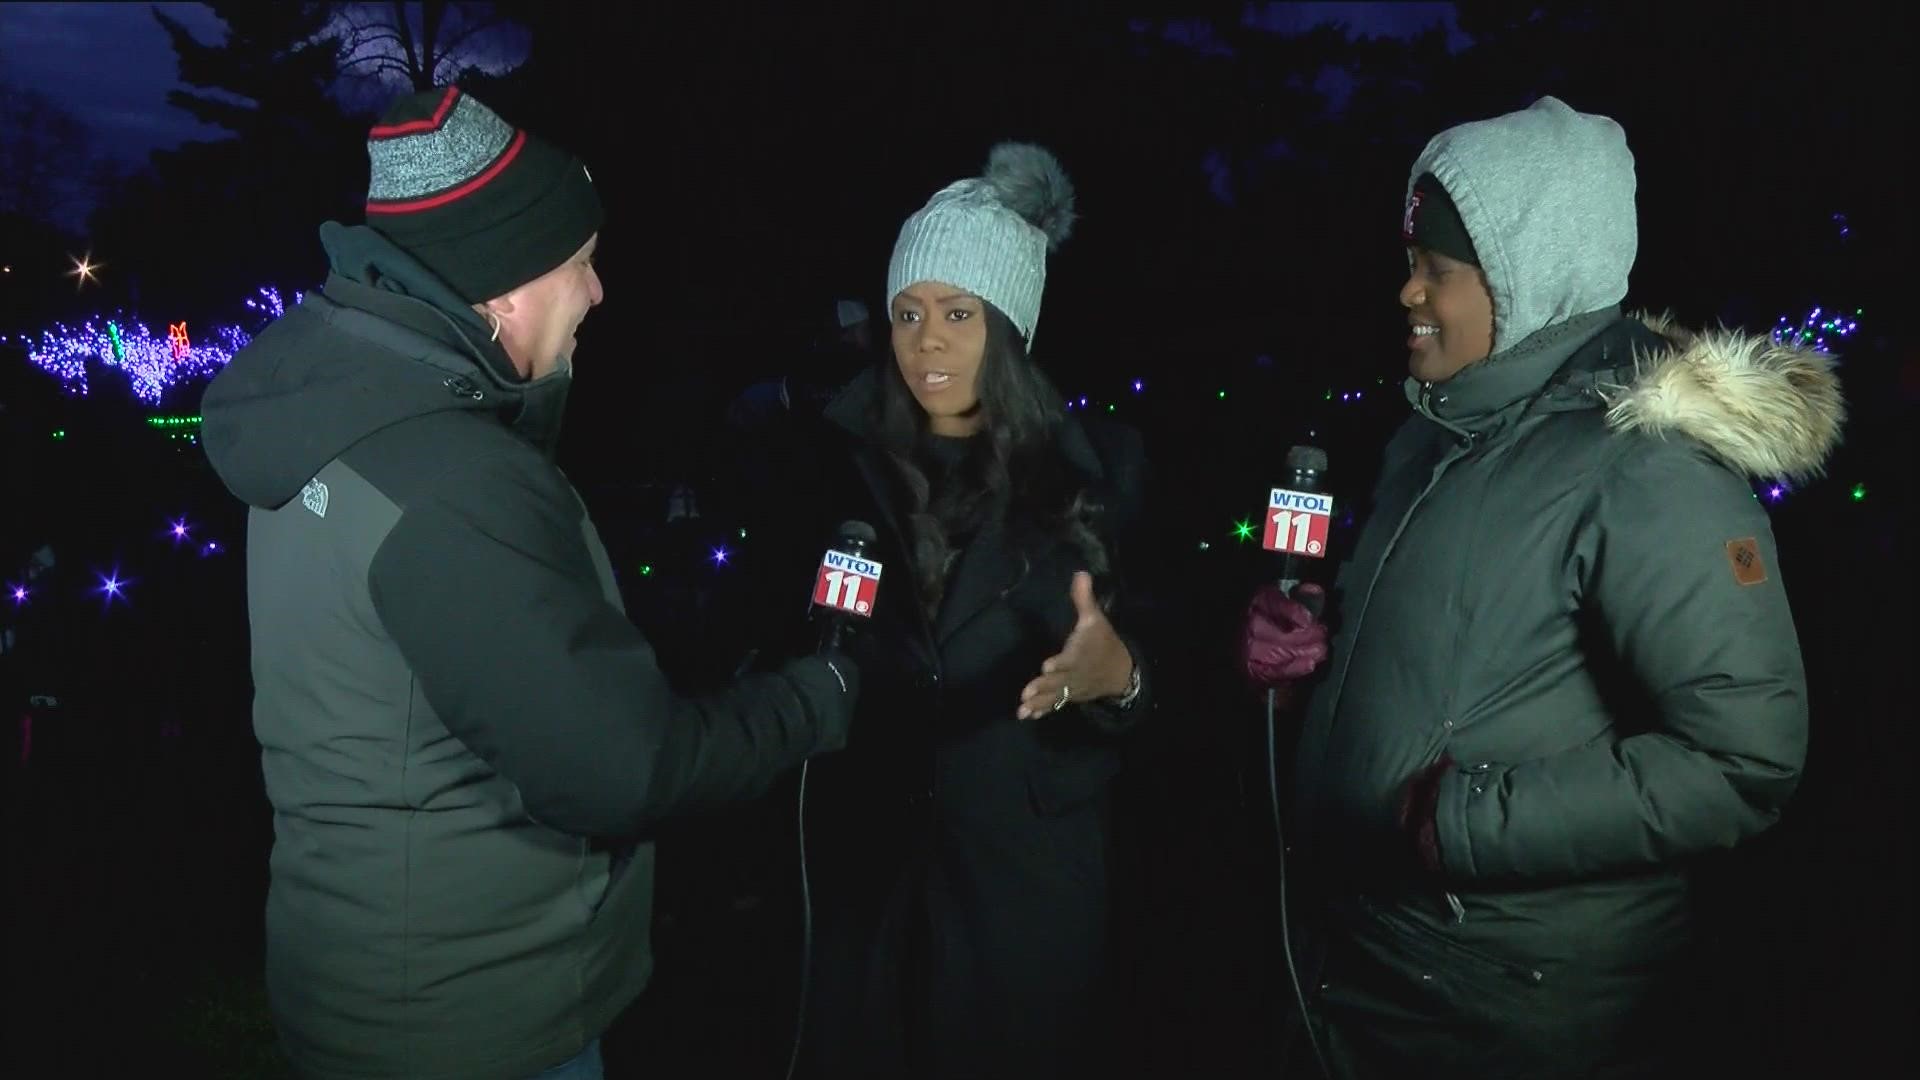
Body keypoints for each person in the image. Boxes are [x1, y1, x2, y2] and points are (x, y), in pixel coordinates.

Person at [199, 85, 859, 1080]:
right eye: (580, 266)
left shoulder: (333, 407)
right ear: (504, 288)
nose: (598, 293)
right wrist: (817, 701)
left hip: (368, 982)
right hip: (469, 1028)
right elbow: (621, 767)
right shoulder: (452, 481)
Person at [1244, 95, 1841, 1078]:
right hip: (1362, 975)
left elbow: (1748, 759)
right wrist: (1306, 645)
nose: (1408, 293)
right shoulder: (1432, 435)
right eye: (1408, 265)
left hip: (1495, 1009)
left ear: (1530, 280)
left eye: (1437, 270)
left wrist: (1471, 820)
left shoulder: (1645, 465)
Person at [787, 144, 1154, 1079]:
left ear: (1007, 324)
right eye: (908, 313)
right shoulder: (833, 465)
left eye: (958, 313)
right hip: (870, 880)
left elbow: (1176, 676)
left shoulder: (1105, 469)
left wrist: (1123, 679)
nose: (928, 341)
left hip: (1025, 883)